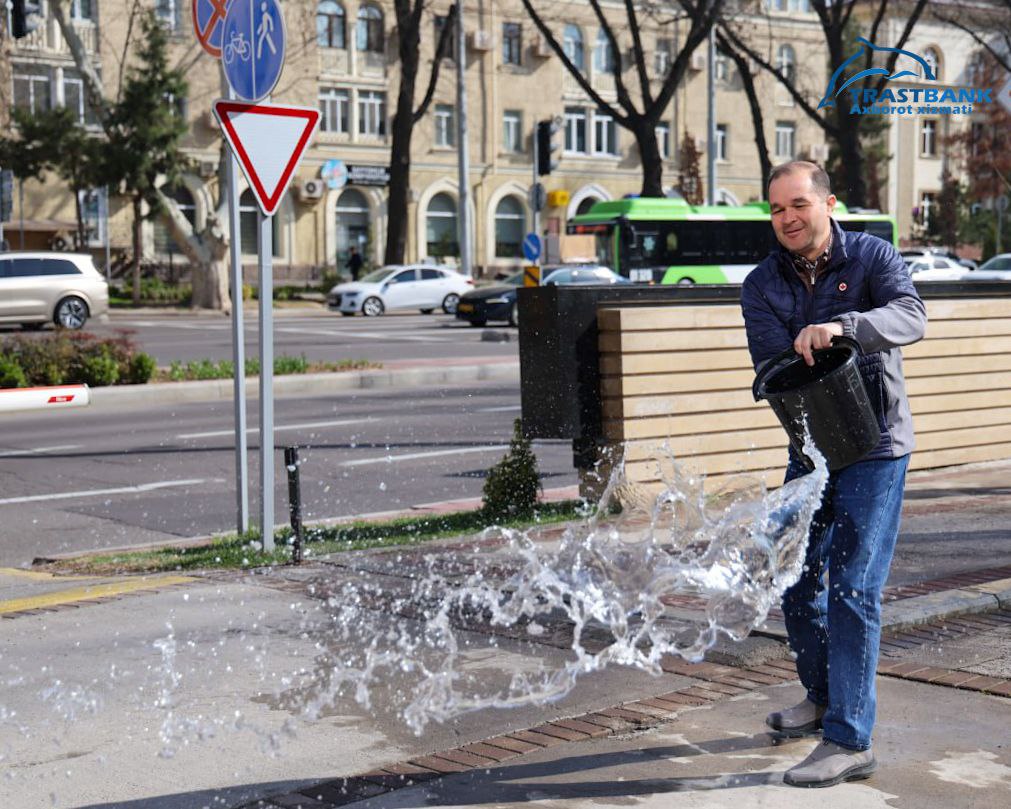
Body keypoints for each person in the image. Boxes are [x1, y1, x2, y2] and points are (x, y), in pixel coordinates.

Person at [740, 161, 927, 788]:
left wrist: (843, 327)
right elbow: (772, 364)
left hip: (877, 447)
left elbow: (911, 316)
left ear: (828, 203)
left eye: (798, 205)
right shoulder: (761, 283)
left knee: (852, 587)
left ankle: (850, 738)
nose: (788, 219)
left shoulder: (871, 256)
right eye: (776, 210)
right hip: (813, 450)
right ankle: (821, 697)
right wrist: (795, 348)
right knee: (791, 577)